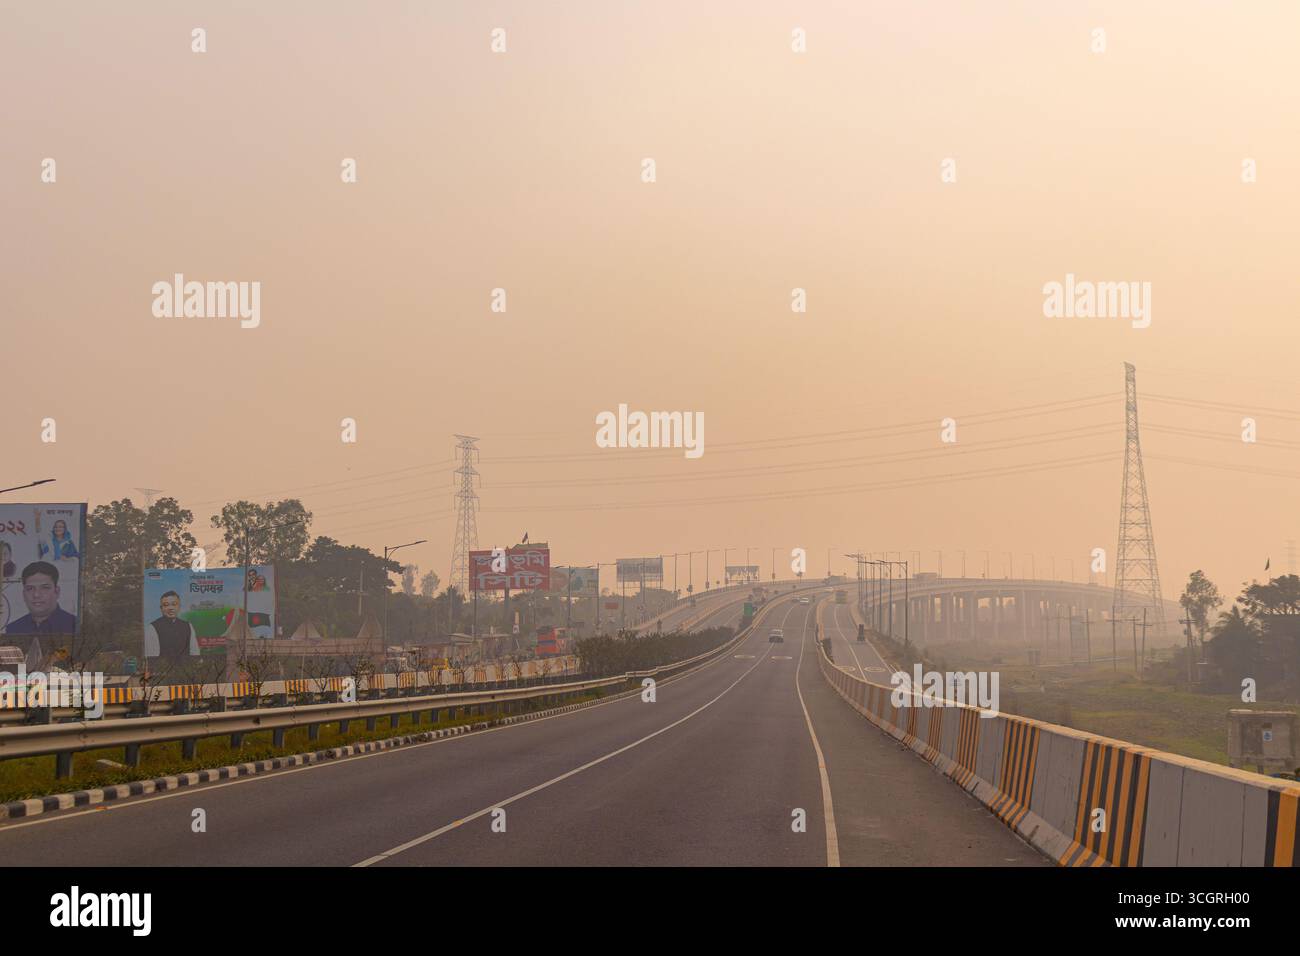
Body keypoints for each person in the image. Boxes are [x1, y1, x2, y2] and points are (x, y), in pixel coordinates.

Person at [5, 562, 78, 635]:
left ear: (57, 591)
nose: (36, 595)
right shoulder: (13, 629)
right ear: (24, 594)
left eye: (45, 588)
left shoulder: (75, 626)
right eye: (30, 588)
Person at [144, 590, 199, 659]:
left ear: (179, 607)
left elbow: (195, 653)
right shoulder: (152, 628)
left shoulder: (188, 626)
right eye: (166, 605)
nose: (171, 608)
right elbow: (152, 657)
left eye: (174, 604)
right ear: (161, 608)